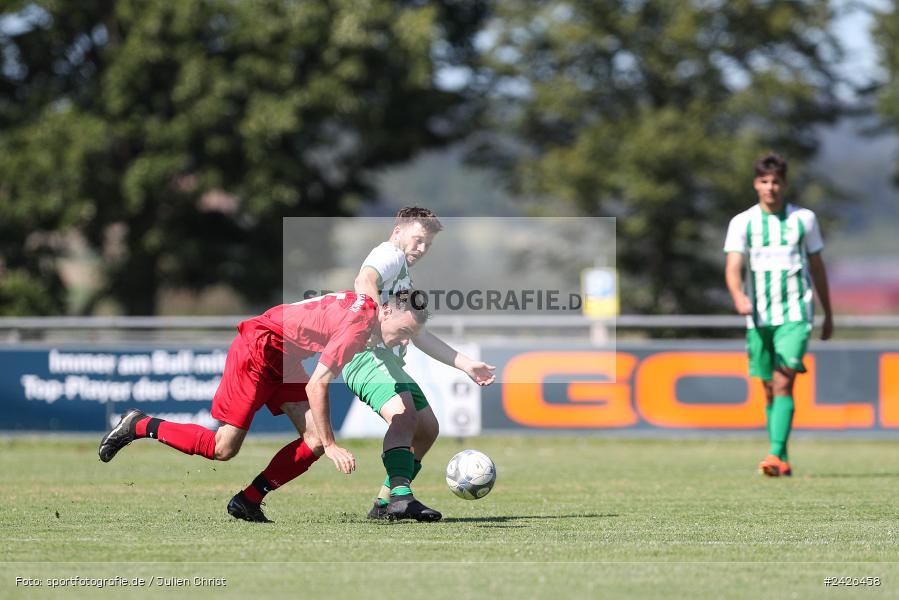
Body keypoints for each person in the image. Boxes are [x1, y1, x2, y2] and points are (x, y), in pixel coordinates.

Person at [99, 291, 428, 522]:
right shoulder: (359, 324)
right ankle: (139, 425)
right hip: (259, 349)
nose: (402, 341)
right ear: (387, 312)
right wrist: (332, 445)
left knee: (311, 440)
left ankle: (248, 501)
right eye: (403, 331)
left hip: (284, 356)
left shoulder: (369, 310)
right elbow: (318, 384)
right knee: (223, 447)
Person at [343, 207, 496, 522]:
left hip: (388, 361)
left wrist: (466, 364)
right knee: (404, 416)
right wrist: (371, 323)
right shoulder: (389, 255)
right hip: (365, 356)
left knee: (427, 429)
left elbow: (419, 335)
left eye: (427, 244)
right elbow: (364, 279)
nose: (421, 249)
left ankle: (384, 503)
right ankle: (401, 497)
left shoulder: (402, 274)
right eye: (418, 240)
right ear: (398, 231)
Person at [724, 152, 834, 477]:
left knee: (784, 381)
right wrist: (738, 295)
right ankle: (782, 457)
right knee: (770, 387)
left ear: (784, 184)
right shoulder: (742, 222)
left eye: (775, 182)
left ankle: (772, 454)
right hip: (758, 316)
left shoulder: (804, 219)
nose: (770, 187)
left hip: (795, 314)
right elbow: (733, 267)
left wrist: (828, 313)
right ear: (756, 184)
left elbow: (817, 267)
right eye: (764, 181)